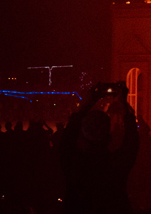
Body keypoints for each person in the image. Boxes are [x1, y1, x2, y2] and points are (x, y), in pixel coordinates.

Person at [59, 82, 140, 214]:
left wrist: (89, 102)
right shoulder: (116, 164)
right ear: (108, 136)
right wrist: (123, 102)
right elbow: (132, 140)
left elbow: (68, 136)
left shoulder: (73, 163)